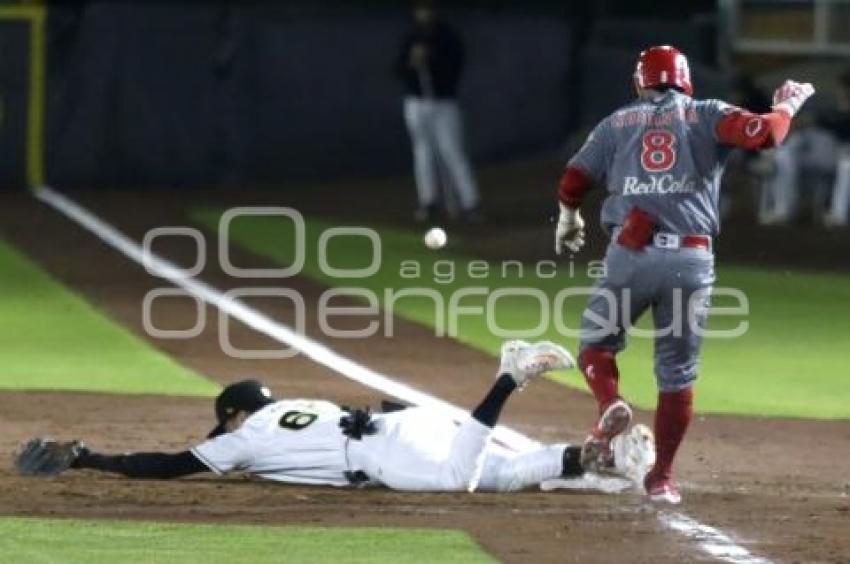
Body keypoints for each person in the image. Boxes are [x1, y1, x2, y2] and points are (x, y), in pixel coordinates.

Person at [553, 45, 814, 503]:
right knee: (676, 375)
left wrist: (569, 216)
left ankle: (609, 402)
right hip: (691, 261)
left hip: (629, 256)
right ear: (685, 80)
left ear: (641, 82)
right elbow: (768, 135)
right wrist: (786, 103)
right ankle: (663, 478)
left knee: (596, 344)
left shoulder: (617, 122)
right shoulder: (707, 113)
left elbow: (574, 178)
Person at [16, 341, 654, 492]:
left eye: (226, 421)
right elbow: (390, 407)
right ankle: (592, 456)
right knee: (501, 474)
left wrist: (89, 456)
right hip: (399, 422)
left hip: (383, 454)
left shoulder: (243, 439)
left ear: (235, 415)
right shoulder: (299, 404)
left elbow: (171, 464)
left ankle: (507, 376)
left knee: (460, 478)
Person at [394, 0, 482, 224]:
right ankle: (428, 202)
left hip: (443, 103)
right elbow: (398, 69)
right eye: (421, 9)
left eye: (428, 8)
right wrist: (412, 62)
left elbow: (454, 68)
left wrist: (431, 59)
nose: (424, 13)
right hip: (416, 102)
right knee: (422, 152)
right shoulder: (410, 37)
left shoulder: (447, 37)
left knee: (452, 151)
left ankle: (469, 203)